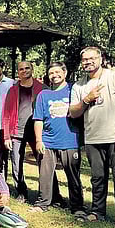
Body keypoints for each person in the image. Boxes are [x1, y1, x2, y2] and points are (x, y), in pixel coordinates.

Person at [69, 46, 115, 228]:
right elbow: (73, 112)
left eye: (92, 58)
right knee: (98, 178)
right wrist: (87, 99)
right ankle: (97, 211)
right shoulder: (79, 85)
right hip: (92, 138)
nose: (88, 62)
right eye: (84, 60)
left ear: (100, 58)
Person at [29, 61, 85, 216]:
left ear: (65, 72)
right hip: (48, 141)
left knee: (73, 175)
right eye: (51, 73)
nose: (54, 75)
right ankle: (43, 203)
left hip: (70, 140)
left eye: (57, 72)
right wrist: (39, 140)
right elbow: (38, 119)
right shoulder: (44, 95)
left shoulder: (73, 90)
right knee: (45, 175)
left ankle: (77, 207)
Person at [2, 61, 47, 203]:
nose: (24, 71)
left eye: (27, 68)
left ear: (32, 69)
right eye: (21, 69)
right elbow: (6, 114)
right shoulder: (13, 90)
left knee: (45, 163)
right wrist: (7, 136)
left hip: (37, 132)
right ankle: (21, 191)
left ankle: (50, 193)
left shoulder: (42, 88)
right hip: (17, 131)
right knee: (16, 163)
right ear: (18, 72)